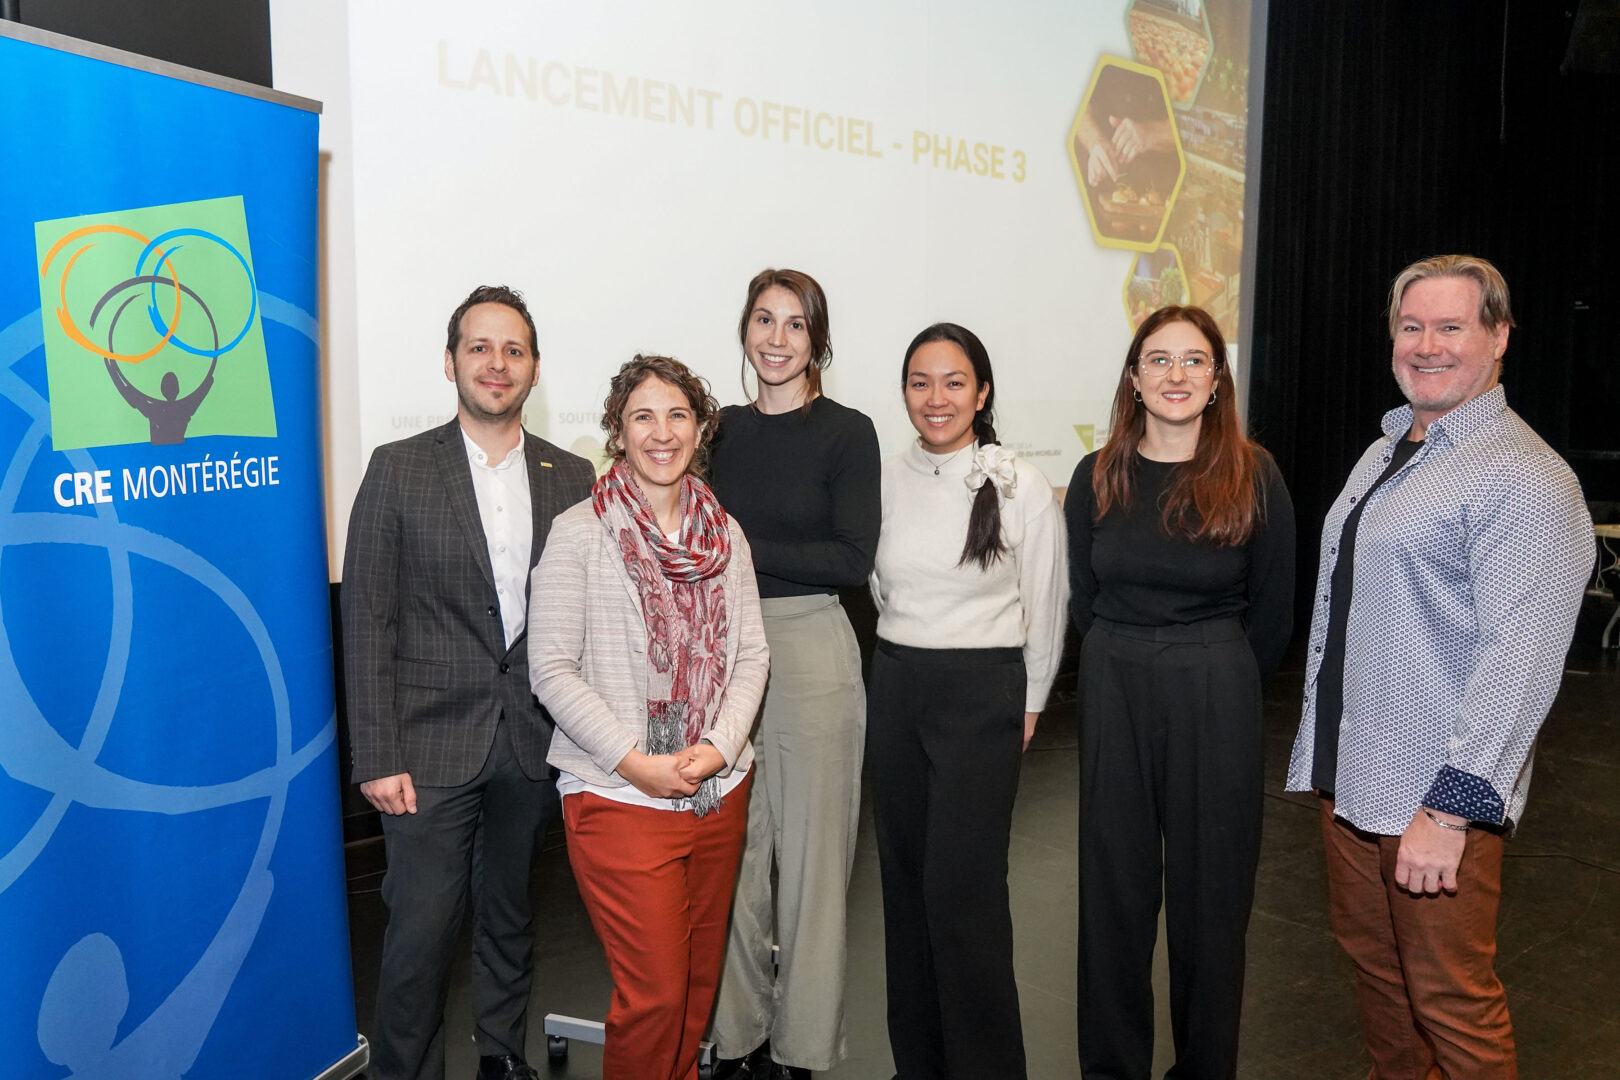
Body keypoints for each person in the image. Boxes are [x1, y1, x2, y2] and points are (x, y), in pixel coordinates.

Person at [1286, 255, 1591, 1078]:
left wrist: (1450, 811)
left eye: (1451, 327)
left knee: (1450, 1003)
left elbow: (1519, 662)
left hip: (1434, 798)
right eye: (1411, 326)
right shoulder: (1390, 447)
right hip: (1353, 778)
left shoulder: (1526, 479)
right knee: (1382, 988)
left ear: (1497, 338)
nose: (1427, 345)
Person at [342, 285, 595, 1080]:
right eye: (480, 347)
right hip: (424, 749)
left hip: (528, 740)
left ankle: (501, 1057)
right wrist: (376, 754)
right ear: (450, 362)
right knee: (420, 934)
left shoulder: (573, 475)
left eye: (513, 350)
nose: (497, 363)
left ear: (535, 370)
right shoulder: (398, 467)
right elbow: (368, 618)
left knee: (511, 919)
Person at [1064, 305, 1295, 1080]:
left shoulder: (1253, 473)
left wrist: (1211, 672)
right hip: (1115, 682)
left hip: (1213, 685)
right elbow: (1082, 596)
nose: (1175, 376)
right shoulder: (1095, 473)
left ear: (1217, 379)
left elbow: (1272, 614)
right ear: (1133, 378)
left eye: (1194, 361)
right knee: (1113, 898)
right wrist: (1126, 654)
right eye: (1158, 361)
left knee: (1210, 905)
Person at [529, 354, 769, 1080]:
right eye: (643, 416)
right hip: (618, 794)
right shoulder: (580, 533)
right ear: (617, 431)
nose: (662, 432)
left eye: (678, 415)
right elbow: (551, 669)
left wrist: (719, 749)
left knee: (695, 992)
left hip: (713, 790)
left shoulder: (724, 532)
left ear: (700, 428)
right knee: (656, 995)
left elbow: (752, 655)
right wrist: (636, 760)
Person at [867, 322, 1068, 1080]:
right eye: (921, 382)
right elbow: (881, 586)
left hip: (983, 694)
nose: (937, 397)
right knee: (905, 884)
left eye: (955, 382)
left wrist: (1030, 702)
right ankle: (918, 1063)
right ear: (905, 394)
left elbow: (1045, 606)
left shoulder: (1020, 484)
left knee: (963, 892)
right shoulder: (884, 476)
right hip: (898, 687)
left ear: (982, 393)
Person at [707, 269, 880, 1080]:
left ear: (818, 342)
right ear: (745, 329)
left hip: (811, 644)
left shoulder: (849, 433)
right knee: (731, 857)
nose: (776, 339)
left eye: (795, 326)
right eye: (764, 320)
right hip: (722, 651)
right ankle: (734, 1038)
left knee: (813, 867)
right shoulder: (716, 431)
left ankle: (801, 1049)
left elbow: (851, 557)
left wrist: (738, 542)